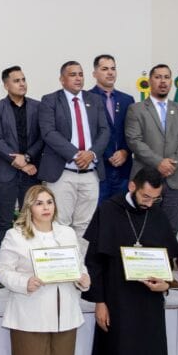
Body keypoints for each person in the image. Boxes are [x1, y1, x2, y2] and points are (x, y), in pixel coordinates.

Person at [82, 169, 177, 355]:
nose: (149, 203)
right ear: (132, 186)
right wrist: (99, 301)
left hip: (149, 303)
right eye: (145, 196)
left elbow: (168, 260)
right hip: (117, 300)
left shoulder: (157, 214)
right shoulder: (109, 210)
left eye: (155, 198)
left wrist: (166, 284)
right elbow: (95, 262)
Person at [0, 185, 90, 355]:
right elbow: (2, 270)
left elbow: (78, 266)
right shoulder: (16, 235)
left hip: (65, 316)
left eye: (49, 202)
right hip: (30, 316)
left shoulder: (66, 233)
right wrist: (24, 281)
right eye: (39, 203)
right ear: (29, 207)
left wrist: (84, 279)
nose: (46, 207)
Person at [37, 61, 110, 255]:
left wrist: (91, 154)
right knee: (59, 223)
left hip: (90, 173)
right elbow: (49, 132)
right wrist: (76, 155)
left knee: (85, 224)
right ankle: (61, 265)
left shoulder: (95, 100)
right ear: (62, 79)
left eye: (80, 74)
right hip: (63, 173)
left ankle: (79, 267)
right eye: (72, 75)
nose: (78, 78)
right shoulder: (50, 100)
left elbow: (104, 131)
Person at [124, 64, 178, 235]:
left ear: (171, 81)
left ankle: (168, 254)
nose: (163, 81)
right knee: (142, 227)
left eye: (166, 77)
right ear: (149, 81)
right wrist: (159, 163)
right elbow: (134, 140)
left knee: (170, 229)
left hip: (175, 179)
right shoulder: (136, 109)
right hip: (145, 178)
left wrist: (172, 164)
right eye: (158, 77)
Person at [0, 65, 42, 259]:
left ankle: (31, 262)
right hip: (5, 174)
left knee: (33, 220)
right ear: (6, 85)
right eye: (16, 80)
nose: (22, 84)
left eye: (23, 79)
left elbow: (42, 138)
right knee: (3, 222)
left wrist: (27, 158)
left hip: (32, 173)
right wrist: (19, 161)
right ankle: (0, 266)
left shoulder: (38, 107)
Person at [89, 54, 134, 201]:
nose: (110, 72)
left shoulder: (127, 100)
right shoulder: (86, 98)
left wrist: (125, 151)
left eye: (113, 69)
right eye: (105, 69)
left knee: (120, 212)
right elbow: (88, 133)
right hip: (98, 169)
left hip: (123, 170)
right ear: (94, 74)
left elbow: (132, 132)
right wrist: (107, 154)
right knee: (98, 213)